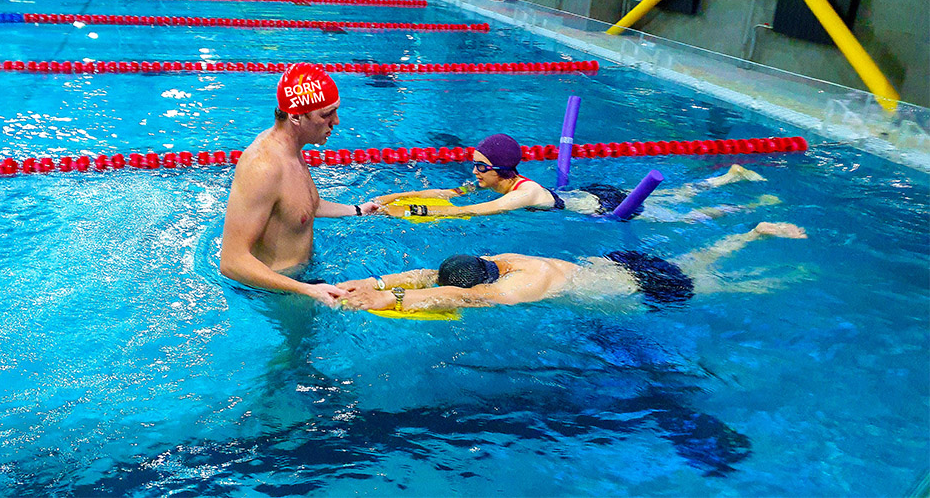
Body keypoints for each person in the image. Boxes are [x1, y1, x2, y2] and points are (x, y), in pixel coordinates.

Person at [338, 222, 807, 312]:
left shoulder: (513, 290)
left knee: (732, 287)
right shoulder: (502, 262)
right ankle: (748, 233)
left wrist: (384, 300)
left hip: (640, 288)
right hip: (617, 264)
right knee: (696, 262)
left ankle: (797, 274)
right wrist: (371, 282)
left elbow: (461, 296)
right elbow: (431, 277)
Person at [220, 63, 379, 304]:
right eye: (326, 114)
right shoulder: (263, 167)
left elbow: (301, 206)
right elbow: (232, 261)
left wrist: (356, 211)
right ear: (295, 116)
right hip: (276, 296)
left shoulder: (292, 150)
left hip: (301, 283)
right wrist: (306, 290)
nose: (336, 121)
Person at [374, 133, 778, 222]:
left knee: (682, 215)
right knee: (672, 200)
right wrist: (392, 198)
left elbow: (475, 211)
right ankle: (726, 179)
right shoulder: (492, 178)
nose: (472, 172)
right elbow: (446, 191)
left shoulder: (523, 192)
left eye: (479, 166)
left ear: (499, 169)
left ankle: (747, 204)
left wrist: (416, 213)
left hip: (607, 207)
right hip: (589, 196)